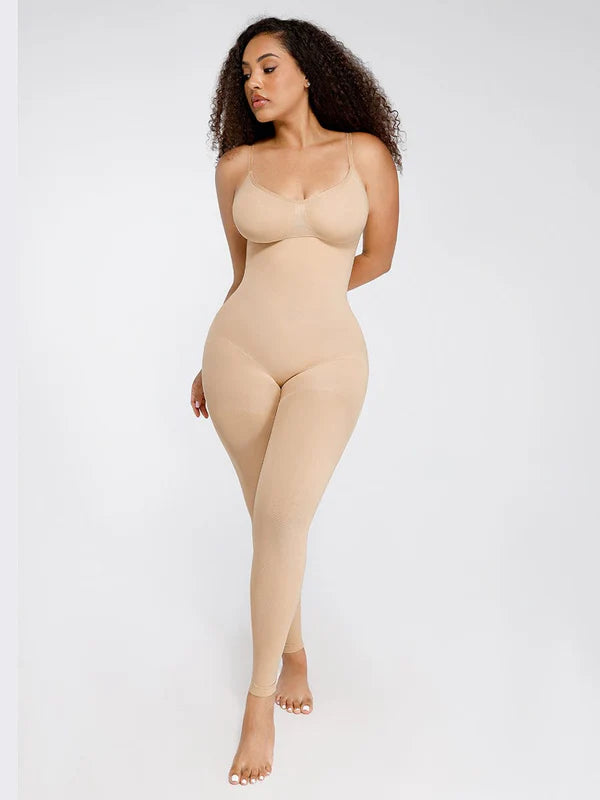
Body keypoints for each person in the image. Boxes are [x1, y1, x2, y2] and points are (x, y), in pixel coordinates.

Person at [190, 16, 402, 786]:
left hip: (328, 359)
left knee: (283, 516)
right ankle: (297, 653)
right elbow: (241, 275)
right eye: (245, 73)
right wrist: (204, 365)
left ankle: (258, 705)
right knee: (270, 520)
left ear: (308, 69)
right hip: (238, 354)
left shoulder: (366, 154)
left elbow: (378, 256)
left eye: (268, 66)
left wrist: (314, 294)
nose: (254, 82)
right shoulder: (236, 167)